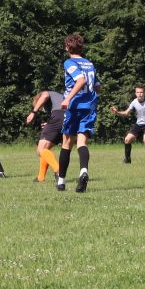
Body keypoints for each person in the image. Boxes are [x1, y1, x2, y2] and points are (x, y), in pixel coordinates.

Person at [57, 33, 99, 193]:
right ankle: (83, 171)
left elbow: (81, 80)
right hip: (89, 106)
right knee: (82, 142)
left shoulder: (69, 62)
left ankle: (61, 181)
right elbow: (97, 86)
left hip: (74, 106)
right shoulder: (89, 63)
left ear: (67, 47)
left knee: (67, 142)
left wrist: (67, 98)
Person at [115, 86, 145, 164]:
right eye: (138, 92)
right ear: (135, 93)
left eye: (141, 92)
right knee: (127, 139)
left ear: (144, 93)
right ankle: (127, 160)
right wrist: (117, 112)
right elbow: (126, 113)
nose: (139, 94)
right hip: (139, 124)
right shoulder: (134, 102)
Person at [25, 89, 63, 183]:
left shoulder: (45, 93)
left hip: (58, 115)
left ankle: (58, 170)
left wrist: (33, 112)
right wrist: (49, 123)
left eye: (41, 107)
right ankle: (40, 177)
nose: (42, 109)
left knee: (41, 149)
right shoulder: (58, 96)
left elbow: (45, 95)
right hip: (67, 117)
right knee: (43, 150)